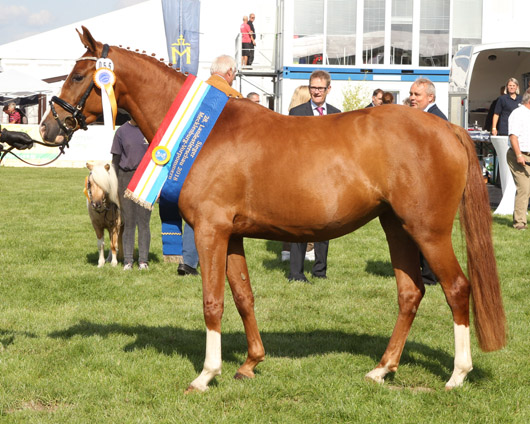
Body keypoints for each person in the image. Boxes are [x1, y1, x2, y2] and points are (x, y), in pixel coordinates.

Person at [176, 55, 244, 277]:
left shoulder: (193, 94)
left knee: (194, 212)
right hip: (222, 166)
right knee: (223, 217)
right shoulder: (233, 97)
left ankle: (187, 261)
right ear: (230, 73)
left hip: (190, 163)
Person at [288, 70, 341, 283]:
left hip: (327, 178)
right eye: (313, 87)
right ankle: (296, 273)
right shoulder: (296, 113)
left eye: (320, 88)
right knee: (299, 225)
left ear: (328, 89)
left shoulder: (337, 114)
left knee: (324, 225)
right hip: (302, 177)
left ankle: (320, 270)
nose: (316, 92)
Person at [409, 77, 447, 285]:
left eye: (417, 95)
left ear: (430, 97)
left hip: (431, 185)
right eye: (412, 94)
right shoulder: (421, 116)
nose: (412, 98)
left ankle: (430, 275)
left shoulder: (436, 119)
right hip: (419, 184)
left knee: (429, 231)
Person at [111, 118, 151, 271]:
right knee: (128, 222)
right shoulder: (121, 132)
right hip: (125, 178)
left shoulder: (147, 128)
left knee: (144, 222)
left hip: (146, 179)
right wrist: (114, 185)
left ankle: (143, 261)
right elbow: (115, 161)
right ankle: (128, 260)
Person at [280, 85, 313, 263]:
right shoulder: (304, 118)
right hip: (305, 167)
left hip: (289, 167)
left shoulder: (289, 117)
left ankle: (286, 250)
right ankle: (308, 249)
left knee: (289, 210)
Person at [506, 88, 530, 230]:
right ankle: (520, 222)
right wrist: (519, 154)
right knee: (524, 188)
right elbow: (513, 136)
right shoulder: (518, 113)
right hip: (519, 155)